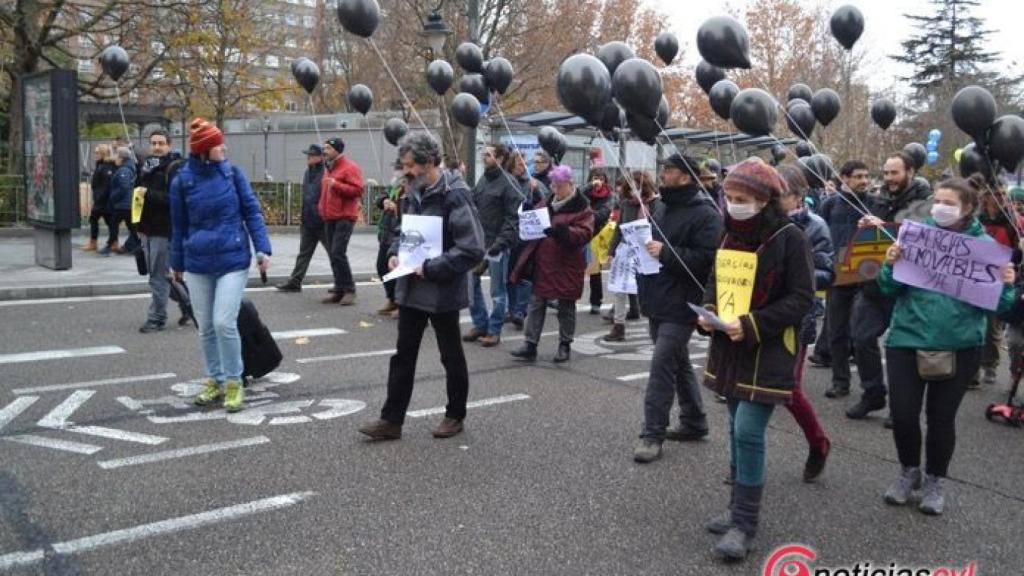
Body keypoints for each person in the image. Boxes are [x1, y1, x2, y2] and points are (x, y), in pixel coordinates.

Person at [878, 176, 1016, 515]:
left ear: (968, 208)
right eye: (937, 200)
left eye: (950, 203)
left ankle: (935, 480)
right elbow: (887, 289)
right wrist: (890, 264)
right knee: (904, 414)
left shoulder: (984, 249)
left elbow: (1000, 306)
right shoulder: (916, 237)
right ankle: (909, 472)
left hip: (959, 347)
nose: (940, 207)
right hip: (906, 341)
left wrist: (1008, 285)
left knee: (941, 419)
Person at [699, 158, 814, 561]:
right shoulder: (727, 233)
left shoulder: (790, 237)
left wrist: (751, 324)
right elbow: (716, 279)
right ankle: (735, 508)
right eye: (729, 197)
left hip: (768, 347)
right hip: (729, 345)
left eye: (742, 198)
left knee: (748, 429)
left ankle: (745, 524)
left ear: (765, 200)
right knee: (733, 425)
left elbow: (802, 299)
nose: (733, 205)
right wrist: (708, 311)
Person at [357, 133, 484, 441]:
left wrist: (430, 267)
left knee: (450, 354)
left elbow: (473, 247)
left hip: (442, 290)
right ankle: (391, 420)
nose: (405, 171)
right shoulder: (413, 190)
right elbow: (405, 231)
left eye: (411, 165)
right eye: (404, 165)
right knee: (403, 354)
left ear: (430, 162)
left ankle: (455, 415)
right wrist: (393, 253)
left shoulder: (455, 194)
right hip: (412, 287)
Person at [170, 118, 272, 413]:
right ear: (204, 150)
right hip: (198, 262)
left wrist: (263, 248)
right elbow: (178, 226)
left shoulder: (232, 174)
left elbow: (252, 211)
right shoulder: (182, 182)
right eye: (218, 144)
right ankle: (214, 378)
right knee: (205, 328)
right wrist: (177, 263)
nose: (224, 147)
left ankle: (233, 382)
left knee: (223, 322)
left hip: (233, 260)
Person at [632, 154, 722, 464]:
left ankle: (652, 434)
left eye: (668, 170)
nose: (663, 175)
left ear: (685, 176)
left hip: (684, 302)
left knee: (661, 365)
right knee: (678, 361)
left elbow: (708, 261)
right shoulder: (661, 206)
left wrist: (666, 253)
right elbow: (652, 245)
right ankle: (695, 420)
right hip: (657, 295)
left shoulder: (707, 213)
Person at [845, 152, 932, 421]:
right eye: (885, 173)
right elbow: (874, 236)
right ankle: (873, 394)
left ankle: (902, 409)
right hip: (874, 284)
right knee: (860, 337)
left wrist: (885, 227)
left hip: (908, 288)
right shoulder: (879, 199)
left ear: (910, 172)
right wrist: (865, 226)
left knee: (903, 351)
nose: (888, 179)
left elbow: (923, 239)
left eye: (894, 173)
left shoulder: (925, 204)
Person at [778, 164, 833, 481]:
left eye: (779, 194)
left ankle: (818, 442)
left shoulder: (816, 227)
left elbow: (828, 273)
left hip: (796, 320)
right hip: (758, 318)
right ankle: (741, 464)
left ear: (798, 196)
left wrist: (796, 277)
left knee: (788, 389)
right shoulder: (759, 223)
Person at [509, 165, 594, 363]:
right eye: (554, 186)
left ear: (570, 184)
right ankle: (530, 344)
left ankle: (565, 344)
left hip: (567, 264)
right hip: (544, 262)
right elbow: (535, 221)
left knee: (566, 305)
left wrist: (564, 233)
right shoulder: (547, 202)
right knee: (537, 303)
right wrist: (529, 213)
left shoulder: (582, 207)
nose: (555, 190)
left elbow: (585, 233)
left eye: (559, 186)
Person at [817, 161, 885, 403]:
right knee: (836, 332)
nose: (865, 180)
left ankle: (871, 388)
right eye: (858, 176)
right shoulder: (829, 205)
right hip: (838, 276)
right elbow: (822, 237)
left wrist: (877, 224)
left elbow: (887, 236)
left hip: (866, 276)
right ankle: (840, 381)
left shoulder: (876, 203)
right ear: (844, 178)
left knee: (862, 333)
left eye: (866, 176)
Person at [464, 144, 520, 347]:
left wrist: (500, 243)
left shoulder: (509, 183)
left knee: (497, 290)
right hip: (479, 242)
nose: (483, 158)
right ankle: (480, 323)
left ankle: (495, 329)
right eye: (483, 154)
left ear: (501, 159)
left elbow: (513, 219)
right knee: (470, 283)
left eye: (488, 155)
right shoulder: (483, 179)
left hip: (498, 245)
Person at [975, 182, 1022, 387]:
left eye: (1003, 193)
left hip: (1000, 278)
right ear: (985, 196)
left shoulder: (1015, 221)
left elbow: (1018, 253)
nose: (1001, 197)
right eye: (996, 193)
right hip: (975, 276)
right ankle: (972, 370)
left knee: (992, 326)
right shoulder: (977, 219)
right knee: (972, 323)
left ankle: (990, 364)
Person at [137, 129, 184, 333]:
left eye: (161, 143)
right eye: (154, 143)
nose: (157, 147)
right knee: (161, 274)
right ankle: (189, 304)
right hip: (146, 228)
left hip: (164, 229)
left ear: (169, 145)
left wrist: (148, 194)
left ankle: (156, 318)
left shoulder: (174, 168)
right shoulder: (147, 166)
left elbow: (175, 200)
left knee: (157, 276)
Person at [603, 172, 657, 342]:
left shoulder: (657, 204)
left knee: (647, 289)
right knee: (620, 289)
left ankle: (653, 325)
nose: (634, 190)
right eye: (631, 186)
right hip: (627, 250)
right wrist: (612, 252)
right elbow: (620, 228)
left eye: (637, 186)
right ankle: (618, 326)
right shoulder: (626, 204)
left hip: (648, 252)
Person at [506, 151, 550, 329]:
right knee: (509, 274)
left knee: (524, 272)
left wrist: (537, 190)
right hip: (509, 234)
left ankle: (520, 311)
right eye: (519, 163)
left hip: (527, 235)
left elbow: (545, 204)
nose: (523, 166)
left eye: (525, 163)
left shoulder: (534, 183)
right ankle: (512, 308)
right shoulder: (506, 181)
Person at [318, 137, 364, 306]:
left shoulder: (350, 167)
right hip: (330, 215)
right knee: (333, 253)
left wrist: (336, 184)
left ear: (337, 150)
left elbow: (358, 190)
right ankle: (339, 288)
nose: (325, 151)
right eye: (324, 148)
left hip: (345, 215)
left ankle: (349, 289)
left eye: (328, 148)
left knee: (338, 252)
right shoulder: (329, 168)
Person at [276, 145, 328, 293]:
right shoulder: (307, 173)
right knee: (304, 253)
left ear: (321, 157)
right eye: (308, 155)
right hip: (308, 220)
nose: (308, 158)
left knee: (334, 254)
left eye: (311, 155)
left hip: (323, 222)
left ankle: (343, 284)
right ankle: (295, 281)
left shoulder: (326, 172)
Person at [372, 160, 406, 317]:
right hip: (386, 232)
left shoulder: (410, 188)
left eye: (398, 169)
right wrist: (384, 201)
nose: (395, 173)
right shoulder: (394, 186)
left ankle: (402, 303)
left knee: (399, 270)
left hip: (399, 234)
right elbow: (381, 197)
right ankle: (392, 298)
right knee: (381, 267)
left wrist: (397, 207)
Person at [583, 168, 614, 315]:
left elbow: (602, 215)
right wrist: (589, 187)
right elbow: (576, 199)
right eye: (595, 178)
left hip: (597, 236)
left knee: (594, 271)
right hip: (581, 234)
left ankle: (596, 301)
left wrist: (583, 213)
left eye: (601, 178)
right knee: (574, 269)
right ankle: (566, 299)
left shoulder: (609, 196)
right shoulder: (586, 193)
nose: (598, 182)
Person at [100, 147, 139, 256]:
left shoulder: (124, 170)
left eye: (117, 155)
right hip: (126, 204)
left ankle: (109, 246)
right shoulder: (127, 168)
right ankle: (139, 246)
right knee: (130, 227)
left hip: (123, 205)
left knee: (114, 225)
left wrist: (113, 197)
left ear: (122, 158)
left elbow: (124, 187)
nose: (115, 158)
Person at [83, 145, 116, 252]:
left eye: (97, 153)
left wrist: (98, 198)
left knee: (95, 219)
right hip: (102, 200)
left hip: (102, 200)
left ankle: (94, 242)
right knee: (109, 221)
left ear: (103, 154)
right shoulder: (103, 165)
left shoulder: (106, 167)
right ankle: (113, 242)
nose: (95, 155)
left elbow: (105, 186)